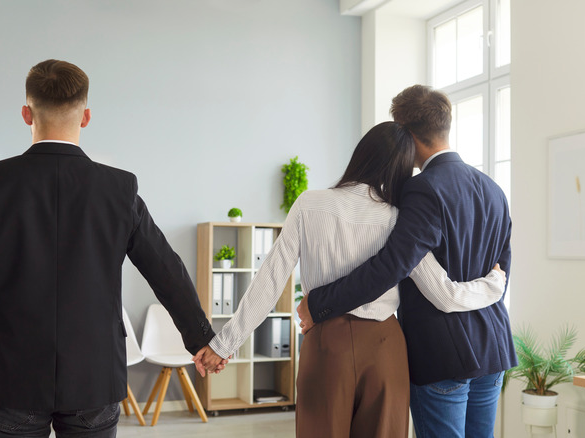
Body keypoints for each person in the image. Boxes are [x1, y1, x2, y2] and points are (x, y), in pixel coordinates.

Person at [0, 59, 216, 438]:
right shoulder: (119, 189)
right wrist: (202, 339)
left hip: (11, 378)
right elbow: (165, 269)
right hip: (95, 376)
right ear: (86, 117)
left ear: (26, 114)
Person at [194, 122, 508, 438]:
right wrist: (494, 284)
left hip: (326, 346)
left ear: (362, 154)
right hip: (386, 350)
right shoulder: (399, 218)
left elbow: (270, 279)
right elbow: (445, 294)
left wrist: (224, 344)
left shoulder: (309, 204)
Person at [296, 85, 516, 438]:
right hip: (494, 347)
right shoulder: (493, 189)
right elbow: (501, 274)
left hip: (442, 356)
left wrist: (318, 303)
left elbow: (391, 265)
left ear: (407, 134)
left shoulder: (422, 188)